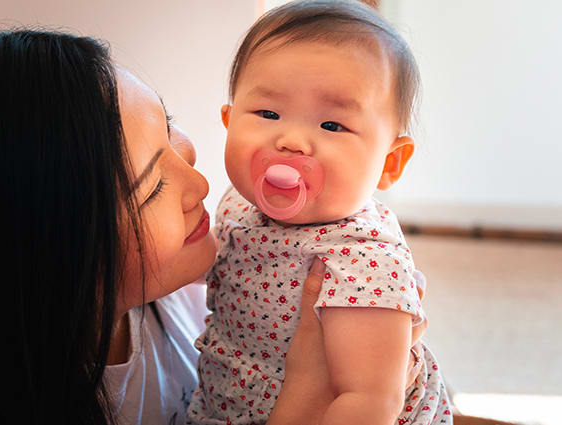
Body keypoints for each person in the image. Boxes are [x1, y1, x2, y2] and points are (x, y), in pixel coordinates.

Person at [0, 29, 423, 425]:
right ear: (49, 255)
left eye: (170, 127)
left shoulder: (185, 301)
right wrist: (302, 394)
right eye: (151, 186)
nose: (198, 182)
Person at [188, 1, 451, 425]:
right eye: (268, 113)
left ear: (390, 163)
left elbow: (369, 402)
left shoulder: (363, 262)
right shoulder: (238, 203)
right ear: (229, 120)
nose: (291, 141)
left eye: (332, 126)